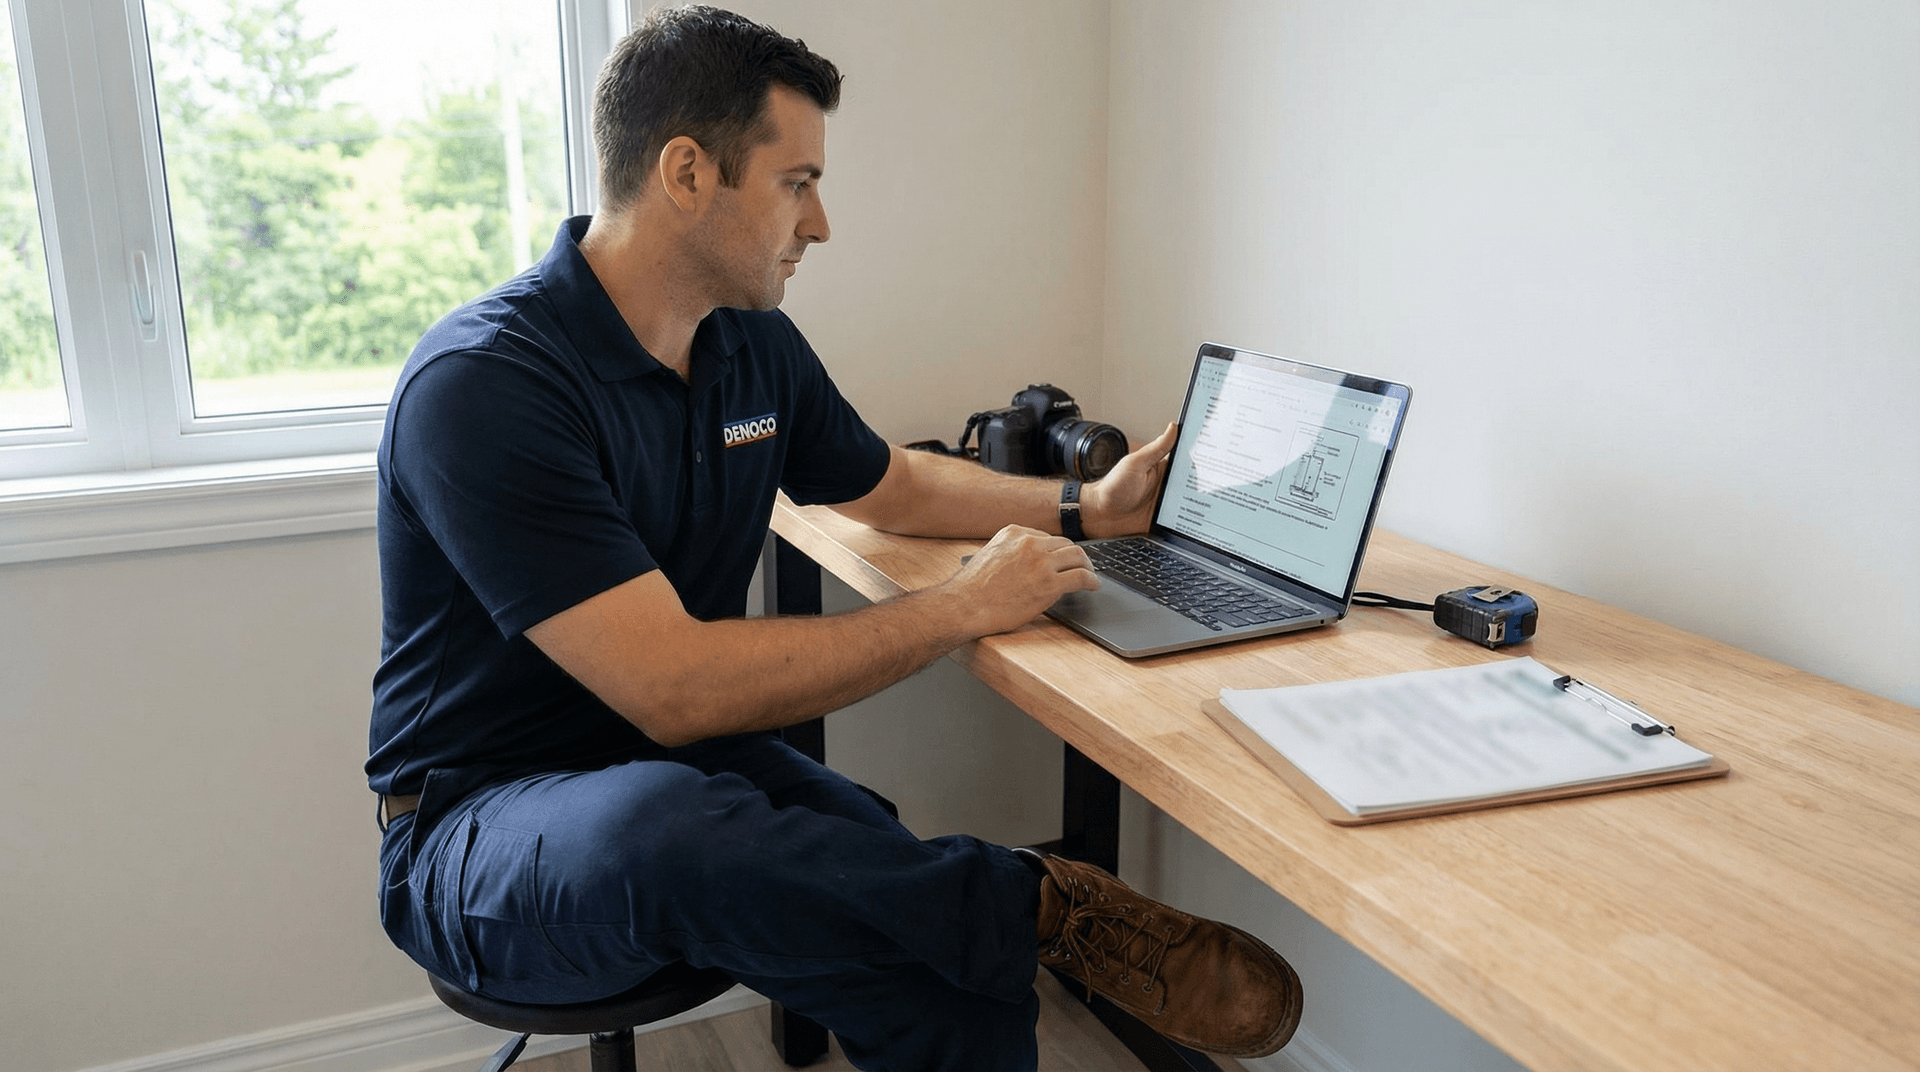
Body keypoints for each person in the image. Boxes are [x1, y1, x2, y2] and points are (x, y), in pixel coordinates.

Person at [367, 6, 1301, 1069]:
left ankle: (1010, 924)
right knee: (665, 827)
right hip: (473, 826)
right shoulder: (486, 384)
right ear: (686, 173)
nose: (820, 225)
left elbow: (890, 483)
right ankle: (1040, 909)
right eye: (797, 182)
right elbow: (671, 687)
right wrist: (957, 608)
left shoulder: (750, 347)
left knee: (946, 968)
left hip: (680, 775)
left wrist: (1090, 509)